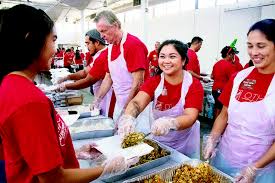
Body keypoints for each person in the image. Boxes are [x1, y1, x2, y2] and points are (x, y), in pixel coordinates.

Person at [0, 5, 133, 182]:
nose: (55, 50)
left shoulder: (13, 85)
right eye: (53, 40)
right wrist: (106, 169)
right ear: (31, 39)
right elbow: (55, 179)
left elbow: (33, 154)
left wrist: (73, 153)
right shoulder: (29, 102)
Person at [204, 19, 275, 183]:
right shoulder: (240, 77)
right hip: (225, 158)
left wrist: (255, 167)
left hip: (261, 169)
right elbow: (224, 114)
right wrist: (212, 139)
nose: (254, 52)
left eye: (261, 46)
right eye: (250, 46)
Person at [118, 40, 204, 158]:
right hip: (160, 141)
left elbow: (190, 116)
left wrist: (170, 123)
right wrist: (128, 118)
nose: (166, 61)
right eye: (162, 56)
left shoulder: (193, 84)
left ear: (183, 60)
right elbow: (137, 103)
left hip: (185, 143)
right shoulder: (155, 82)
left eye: (172, 57)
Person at [93, 10, 150, 133]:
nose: (101, 36)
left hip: (138, 107)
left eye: (104, 31)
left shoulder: (132, 45)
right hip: (121, 104)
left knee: (138, 144)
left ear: (116, 25)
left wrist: (127, 110)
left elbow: (138, 82)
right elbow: (109, 77)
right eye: (99, 32)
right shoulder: (110, 49)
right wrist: (97, 99)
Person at [56, 29, 114, 117]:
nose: (86, 46)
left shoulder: (103, 56)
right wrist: (67, 77)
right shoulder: (99, 55)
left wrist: (66, 86)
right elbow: (84, 72)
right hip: (101, 98)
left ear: (97, 43)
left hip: (107, 99)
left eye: (88, 43)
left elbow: (88, 80)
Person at [211, 46, 239, 119]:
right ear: (228, 54)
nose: (234, 56)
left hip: (214, 89)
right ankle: (217, 126)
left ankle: (214, 124)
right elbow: (234, 79)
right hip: (223, 90)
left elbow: (212, 77)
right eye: (233, 54)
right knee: (221, 110)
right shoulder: (230, 65)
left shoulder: (216, 64)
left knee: (217, 106)